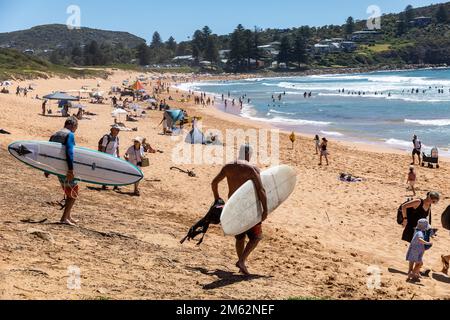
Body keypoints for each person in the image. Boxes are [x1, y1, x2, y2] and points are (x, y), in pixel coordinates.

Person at [211, 144, 268, 275]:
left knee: (240, 237)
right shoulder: (252, 169)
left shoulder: (228, 167)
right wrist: (265, 210)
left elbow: (214, 183)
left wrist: (217, 199)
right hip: (248, 207)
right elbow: (261, 190)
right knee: (256, 237)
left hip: (233, 207)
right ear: (249, 155)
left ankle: (240, 262)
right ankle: (242, 261)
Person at [47, 117, 79, 226]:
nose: (75, 129)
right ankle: (64, 218)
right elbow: (69, 152)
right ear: (73, 125)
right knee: (73, 193)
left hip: (57, 169)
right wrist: (70, 170)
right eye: (76, 127)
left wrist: (48, 168)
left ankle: (68, 216)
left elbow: (49, 152)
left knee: (68, 191)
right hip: (66, 169)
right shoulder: (69, 135)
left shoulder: (55, 134)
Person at [100, 125, 121, 191]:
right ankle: (104, 184)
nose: (118, 131)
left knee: (116, 172)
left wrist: (118, 156)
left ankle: (116, 185)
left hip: (114, 158)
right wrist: (103, 157)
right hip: (107, 157)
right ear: (112, 129)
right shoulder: (106, 137)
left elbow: (117, 147)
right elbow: (103, 147)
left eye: (118, 130)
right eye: (116, 130)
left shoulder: (117, 138)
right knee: (106, 172)